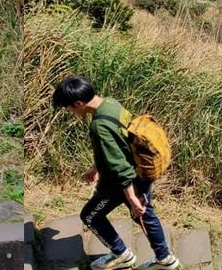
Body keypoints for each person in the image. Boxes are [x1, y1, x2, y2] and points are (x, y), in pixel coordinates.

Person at [52, 76, 180, 270]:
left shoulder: (98, 126)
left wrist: (131, 198)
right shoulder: (110, 104)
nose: (70, 112)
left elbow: (119, 166)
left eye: (69, 108)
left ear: (79, 103)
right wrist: (97, 167)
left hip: (124, 181)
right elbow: (120, 141)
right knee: (144, 216)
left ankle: (123, 255)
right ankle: (165, 259)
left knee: (90, 216)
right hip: (139, 170)